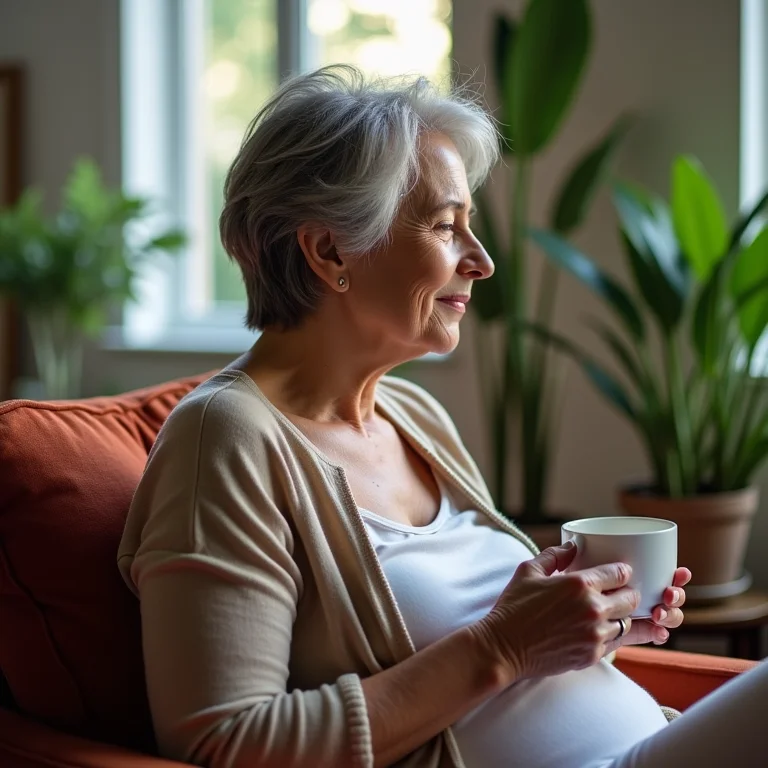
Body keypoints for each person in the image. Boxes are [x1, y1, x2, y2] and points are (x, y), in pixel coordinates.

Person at [117, 66, 767, 768]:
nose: (481, 263)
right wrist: (504, 645)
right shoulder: (226, 438)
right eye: (447, 228)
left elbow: (502, 658)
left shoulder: (414, 415)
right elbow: (224, 743)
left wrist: (584, 625)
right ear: (331, 248)